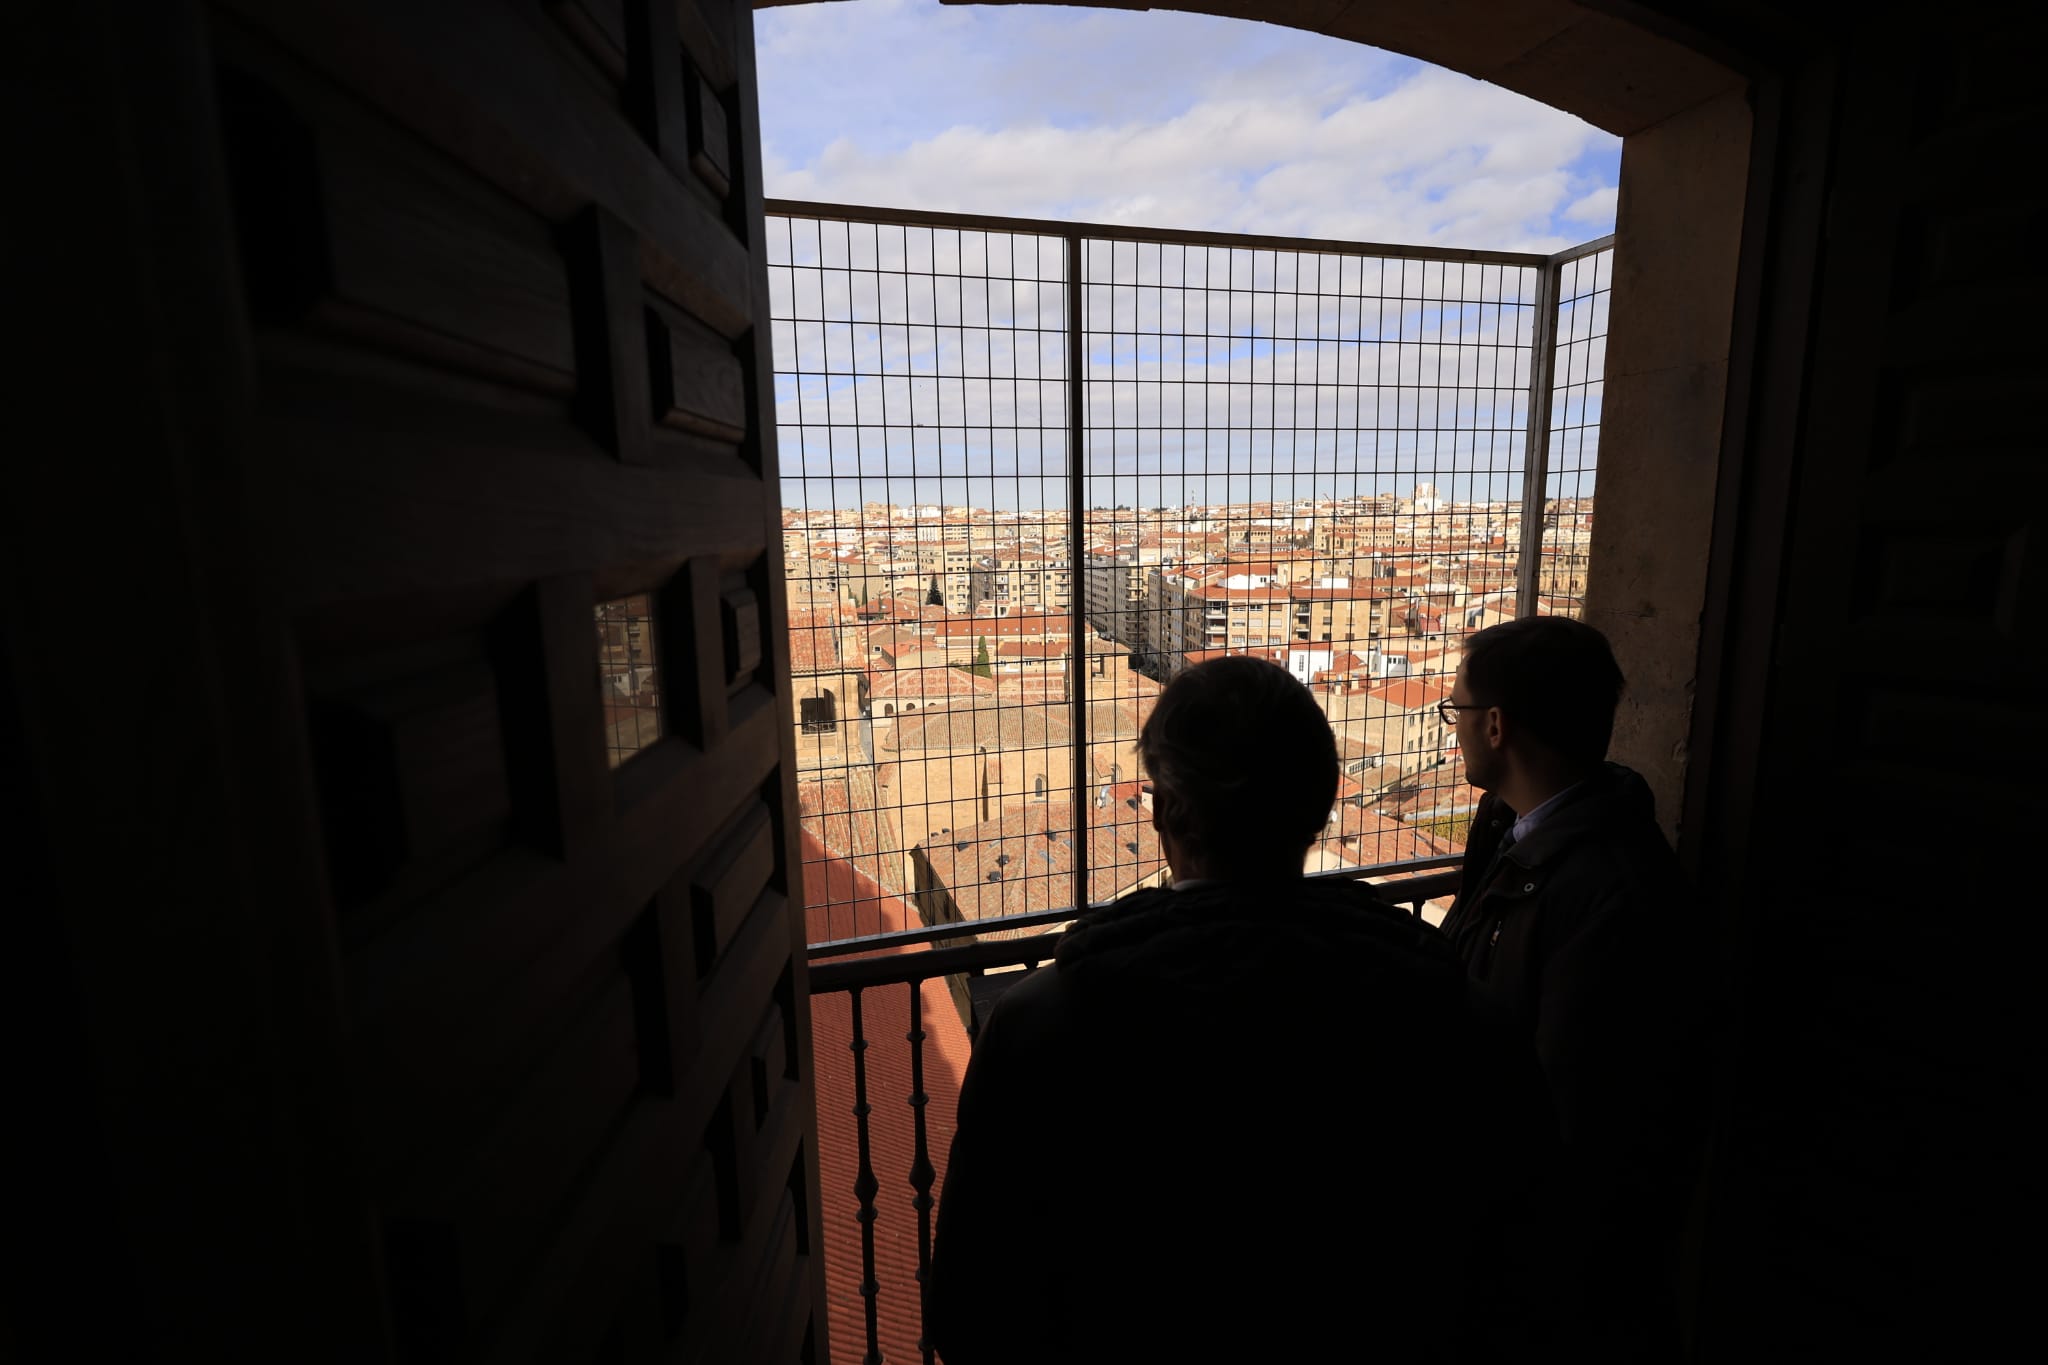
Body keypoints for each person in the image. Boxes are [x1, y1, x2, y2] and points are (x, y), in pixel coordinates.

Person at [926, 655, 1552, 1365]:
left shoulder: (1040, 1026)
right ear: (1320, 810)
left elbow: (972, 1311)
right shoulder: (1465, 1025)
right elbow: (1520, 1284)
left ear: (1162, 812)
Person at [1436, 616, 1712, 1363]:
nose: (1451, 725)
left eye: (1454, 709)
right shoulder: (1520, 830)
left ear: (1495, 725)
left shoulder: (1605, 893)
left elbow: (1574, 1123)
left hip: (1545, 1277)